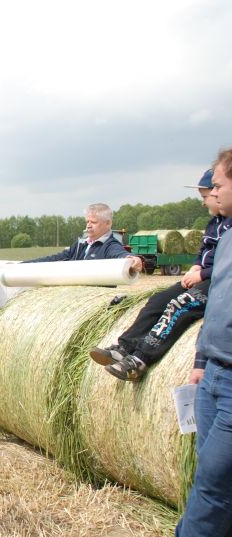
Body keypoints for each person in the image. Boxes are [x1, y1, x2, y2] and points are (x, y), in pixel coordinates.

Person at [90, 169, 232, 381]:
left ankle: (140, 359)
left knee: (181, 304)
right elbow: (203, 252)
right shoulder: (214, 224)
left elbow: (227, 263)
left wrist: (202, 273)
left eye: (206, 196)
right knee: (157, 301)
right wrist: (194, 267)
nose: (204, 203)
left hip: (218, 283)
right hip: (201, 277)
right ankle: (124, 346)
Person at [176, 148, 232, 536]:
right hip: (212, 375)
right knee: (210, 483)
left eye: (219, 183)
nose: (212, 190)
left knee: (212, 491)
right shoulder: (225, 237)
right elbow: (217, 306)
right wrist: (199, 361)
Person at [23, 203, 145, 272]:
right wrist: (24, 264)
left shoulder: (110, 245)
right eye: (87, 221)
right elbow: (58, 257)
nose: (88, 225)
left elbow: (119, 253)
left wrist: (133, 259)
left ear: (108, 223)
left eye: (94, 222)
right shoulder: (80, 245)